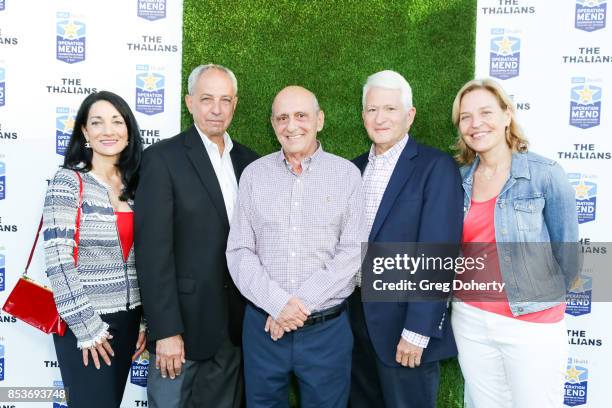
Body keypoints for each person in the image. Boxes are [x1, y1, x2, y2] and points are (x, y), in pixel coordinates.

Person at [226, 85, 366, 407]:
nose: (291, 126)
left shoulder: (346, 176)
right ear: (273, 125)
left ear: (319, 120)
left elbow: (353, 252)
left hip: (326, 333)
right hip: (263, 330)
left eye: (301, 116)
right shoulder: (253, 176)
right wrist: (276, 303)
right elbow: (240, 251)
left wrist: (295, 307)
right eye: (282, 118)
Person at [135, 64, 258, 408]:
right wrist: (166, 330)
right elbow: (152, 253)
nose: (216, 109)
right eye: (207, 99)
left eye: (225, 100)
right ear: (190, 102)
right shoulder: (162, 159)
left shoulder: (250, 163)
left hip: (235, 330)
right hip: (182, 331)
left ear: (235, 104)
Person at [451, 78, 579, 407]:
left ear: (508, 114)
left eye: (486, 112)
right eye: (466, 116)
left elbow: (569, 257)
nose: (476, 124)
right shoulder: (459, 178)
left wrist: (535, 298)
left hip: (532, 325)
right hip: (470, 320)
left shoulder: (546, 174)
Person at [349, 70, 463, 408]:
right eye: (372, 110)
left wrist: (418, 331)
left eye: (390, 109)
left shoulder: (435, 167)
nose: (380, 118)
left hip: (404, 329)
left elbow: (438, 253)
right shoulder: (352, 169)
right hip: (353, 324)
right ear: (363, 116)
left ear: (409, 115)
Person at [43, 90, 145, 407]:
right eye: (97, 122)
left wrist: (143, 321)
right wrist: (88, 327)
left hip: (129, 322)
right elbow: (59, 261)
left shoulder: (137, 186)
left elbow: (145, 258)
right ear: (85, 132)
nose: (108, 130)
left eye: (116, 121)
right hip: (85, 323)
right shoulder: (68, 181)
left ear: (128, 130)